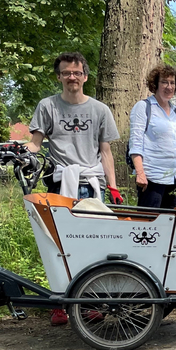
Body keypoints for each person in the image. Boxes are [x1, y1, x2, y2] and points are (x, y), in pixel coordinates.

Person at [26, 52, 121, 326]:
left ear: (85, 76)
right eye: (66, 73)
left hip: (91, 184)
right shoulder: (48, 107)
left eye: (77, 73)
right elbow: (35, 143)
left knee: (93, 245)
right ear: (59, 77)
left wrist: (112, 186)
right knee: (57, 243)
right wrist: (22, 152)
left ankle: (89, 302)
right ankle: (59, 302)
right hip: (59, 183)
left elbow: (106, 151)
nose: (72, 77)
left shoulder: (100, 110)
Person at [129, 65, 176, 209]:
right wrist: (140, 173)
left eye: (172, 83)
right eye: (164, 82)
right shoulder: (143, 107)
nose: (169, 86)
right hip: (152, 178)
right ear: (155, 84)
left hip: (174, 178)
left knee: (169, 223)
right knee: (148, 226)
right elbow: (136, 142)